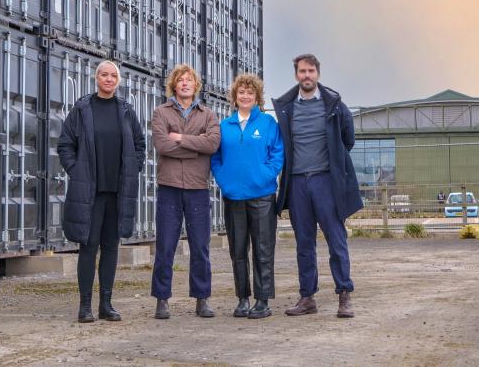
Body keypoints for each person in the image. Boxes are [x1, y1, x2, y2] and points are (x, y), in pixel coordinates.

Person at [272, 54, 363, 318]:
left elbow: (348, 140)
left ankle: (344, 294)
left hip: (326, 182)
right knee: (304, 244)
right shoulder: (288, 107)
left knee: (336, 240)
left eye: (311, 71)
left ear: (318, 74)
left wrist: (331, 165)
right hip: (298, 182)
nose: (307, 76)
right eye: (302, 71)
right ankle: (307, 297)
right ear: (296, 75)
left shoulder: (334, 105)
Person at [57, 60, 145, 323]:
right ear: (96, 78)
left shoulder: (126, 111)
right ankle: (85, 306)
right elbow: (65, 144)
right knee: (88, 246)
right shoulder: (82, 109)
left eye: (113, 75)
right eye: (104, 75)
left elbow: (140, 144)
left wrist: (133, 168)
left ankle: (106, 304)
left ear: (118, 80)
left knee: (110, 247)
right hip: (90, 192)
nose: (108, 79)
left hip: (116, 192)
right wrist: (77, 171)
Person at [150, 64, 221, 319]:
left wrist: (179, 138)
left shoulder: (208, 115)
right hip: (169, 187)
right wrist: (195, 146)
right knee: (165, 246)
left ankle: (202, 299)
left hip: (197, 188)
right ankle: (162, 299)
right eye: (180, 80)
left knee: (200, 247)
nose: (184, 84)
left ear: (196, 85)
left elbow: (212, 144)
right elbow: (162, 145)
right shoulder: (161, 112)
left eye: (189, 80)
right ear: (174, 85)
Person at [211, 74, 284, 319]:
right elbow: (216, 157)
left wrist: (265, 175)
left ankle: (262, 300)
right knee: (238, 250)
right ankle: (242, 298)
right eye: (241, 92)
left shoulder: (268, 124)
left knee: (263, 249)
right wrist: (224, 180)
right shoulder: (224, 126)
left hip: (262, 196)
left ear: (257, 98)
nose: (245, 96)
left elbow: (277, 154)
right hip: (234, 197)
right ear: (235, 97)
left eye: (250, 93)